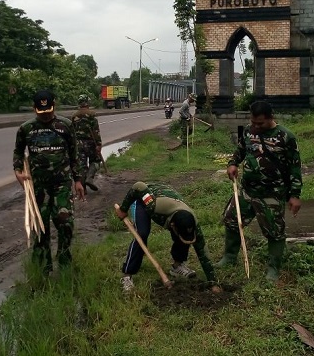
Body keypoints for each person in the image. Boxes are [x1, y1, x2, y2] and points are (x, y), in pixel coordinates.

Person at [216, 101, 302, 283]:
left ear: (271, 117)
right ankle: (229, 258)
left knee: (274, 231)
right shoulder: (248, 131)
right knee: (231, 220)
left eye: (260, 123)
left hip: (272, 193)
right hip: (247, 190)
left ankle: (273, 268)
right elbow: (240, 151)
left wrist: (295, 195)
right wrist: (232, 164)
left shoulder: (286, 137)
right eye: (253, 122)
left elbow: (295, 168)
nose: (256, 126)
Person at [13, 89, 86, 274]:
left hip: (62, 183)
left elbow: (74, 154)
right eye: (41, 112)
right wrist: (18, 171)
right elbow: (18, 153)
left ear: (54, 105)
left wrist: (78, 180)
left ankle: (64, 259)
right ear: (34, 108)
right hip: (38, 186)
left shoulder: (66, 125)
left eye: (48, 111)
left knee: (65, 222)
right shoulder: (26, 129)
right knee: (40, 225)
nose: (45, 116)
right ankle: (42, 267)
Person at [114, 181, 222, 293]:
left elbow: (203, 254)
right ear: (172, 225)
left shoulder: (192, 222)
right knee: (142, 234)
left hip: (170, 201)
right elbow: (139, 186)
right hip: (144, 199)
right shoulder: (154, 206)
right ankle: (127, 275)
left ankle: (177, 266)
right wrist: (123, 209)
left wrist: (213, 282)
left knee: (184, 238)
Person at [71, 94, 103, 192]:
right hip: (91, 143)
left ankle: (83, 188)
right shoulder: (92, 115)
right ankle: (90, 178)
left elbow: (72, 132)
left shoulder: (74, 116)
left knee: (82, 165)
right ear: (87, 103)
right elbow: (96, 132)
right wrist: (98, 144)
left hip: (78, 144)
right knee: (96, 161)